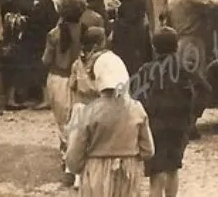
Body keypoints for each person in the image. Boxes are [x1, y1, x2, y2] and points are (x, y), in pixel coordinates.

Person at [65, 52, 155, 197]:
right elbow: (148, 150)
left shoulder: (89, 112)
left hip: (96, 173)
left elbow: (73, 158)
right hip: (128, 173)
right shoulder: (136, 108)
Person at [135, 27, 211, 197]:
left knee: (156, 172)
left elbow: (136, 96)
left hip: (154, 125)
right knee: (173, 167)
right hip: (179, 125)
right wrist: (192, 114)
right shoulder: (185, 68)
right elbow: (205, 89)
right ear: (177, 46)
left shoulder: (147, 70)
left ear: (154, 47)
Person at [165, 0, 218, 139]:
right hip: (193, 45)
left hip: (180, 44)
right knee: (201, 87)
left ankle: (186, 124)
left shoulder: (173, 1)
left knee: (187, 86)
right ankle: (189, 124)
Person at [43, 0, 91, 181]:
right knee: (80, 122)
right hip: (81, 79)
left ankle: (68, 163)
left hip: (59, 78)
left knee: (64, 124)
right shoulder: (87, 30)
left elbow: (46, 60)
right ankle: (79, 164)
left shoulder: (54, 33)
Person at [65, 26, 108, 189]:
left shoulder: (77, 62)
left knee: (77, 140)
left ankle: (75, 174)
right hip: (97, 104)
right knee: (94, 141)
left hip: (80, 105)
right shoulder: (102, 61)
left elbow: (72, 85)